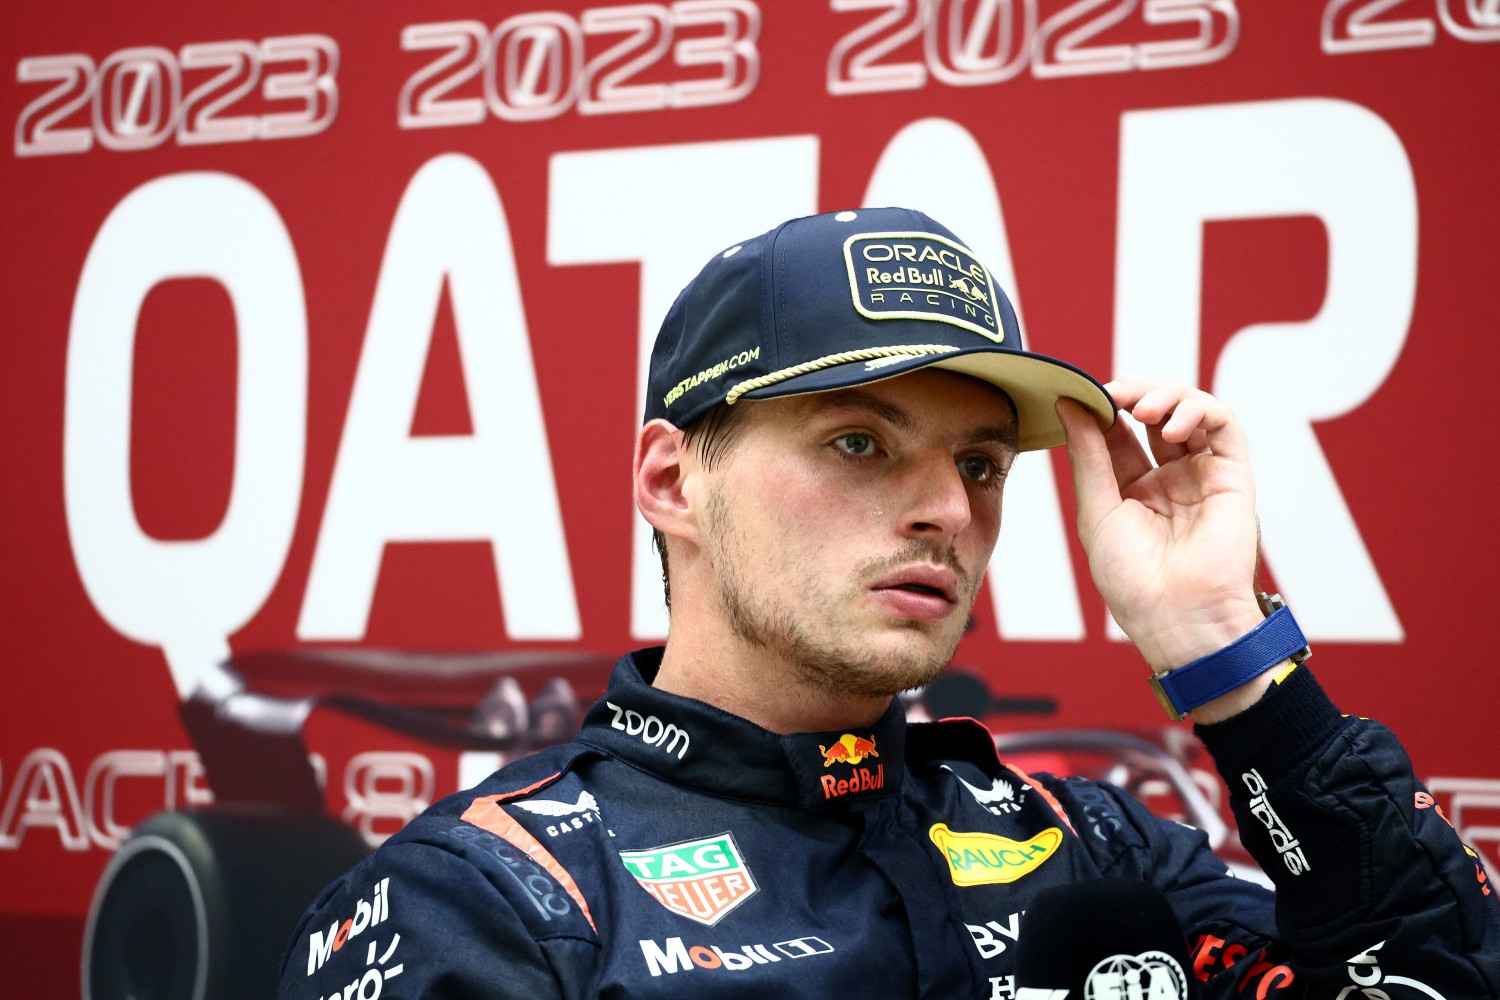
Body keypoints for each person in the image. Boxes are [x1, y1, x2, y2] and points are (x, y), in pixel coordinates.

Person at [279, 208, 1498, 999]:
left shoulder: (1093, 849)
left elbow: (1434, 980)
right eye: (861, 444)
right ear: (670, 481)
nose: (948, 512)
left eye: (977, 463)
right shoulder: (497, 904)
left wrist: (1222, 648)